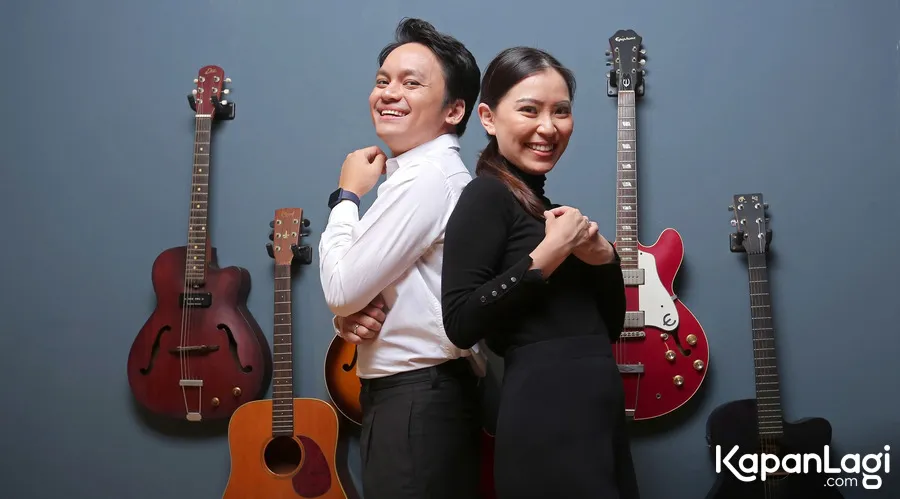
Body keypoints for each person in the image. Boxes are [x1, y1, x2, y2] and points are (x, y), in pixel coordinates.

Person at [440, 46, 641, 498]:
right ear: (488, 118)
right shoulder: (485, 196)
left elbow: (606, 329)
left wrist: (604, 259)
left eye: (561, 111)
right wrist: (547, 254)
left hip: (597, 413)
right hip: (545, 415)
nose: (548, 127)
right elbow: (460, 322)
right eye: (530, 110)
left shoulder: (546, 210)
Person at [317, 17, 484, 499]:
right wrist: (348, 321)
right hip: (415, 397)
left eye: (411, 83)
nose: (389, 93)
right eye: (382, 81)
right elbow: (369, 292)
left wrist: (346, 196)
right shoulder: (419, 175)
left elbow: (341, 287)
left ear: (454, 110)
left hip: (417, 400)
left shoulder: (426, 178)